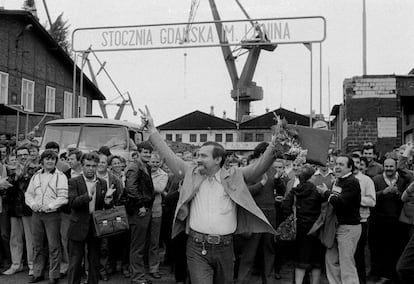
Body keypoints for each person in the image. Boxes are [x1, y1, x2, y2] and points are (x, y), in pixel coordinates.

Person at [139, 106, 277, 284]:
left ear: (218, 159)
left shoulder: (234, 176)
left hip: (226, 248)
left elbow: (259, 167)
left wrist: (277, 142)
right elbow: (169, 156)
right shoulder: (191, 173)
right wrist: (151, 129)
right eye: (197, 154)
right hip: (196, 248)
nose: (198, 159)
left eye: (203, 156)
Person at [66, 152, 116, 284]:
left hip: (95, 227)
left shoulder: (102, 183)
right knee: (75, 263)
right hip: (78, 226)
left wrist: (108, 201)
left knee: (94, 262)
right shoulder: (74, 181)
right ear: (82, 166)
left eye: (94, 166)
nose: (91, 168)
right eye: (88, 165)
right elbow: (72, 203)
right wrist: (88, 195)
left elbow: (106, 207)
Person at [236, 142, 278, 284]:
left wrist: (279, 180)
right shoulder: (249, 170)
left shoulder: (273, 170)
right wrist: (261, 184)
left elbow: (281, 190)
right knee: (249, 252)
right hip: (254, 213)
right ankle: (242, 281)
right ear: (262, 154)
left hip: (270, 213)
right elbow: (244, 192)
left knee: (269, 251)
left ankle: (269, 281)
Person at [25, 150, 68, 284]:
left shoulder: (60, 176)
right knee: (37, 245)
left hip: (52, 215)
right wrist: (33, 205)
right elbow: (29, 194)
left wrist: (49, 206)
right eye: (47, 159)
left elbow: (63, 197)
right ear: (42, 160)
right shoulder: (36, 176)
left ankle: (54, 275)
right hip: (37, 214)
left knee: (54, 245)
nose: (49, 161)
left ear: (56, 161)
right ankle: (38, 273)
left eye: (52, 159)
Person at [368, 157, 413, 283]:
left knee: (397, 249)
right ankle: (381, 275)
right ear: (383, 166)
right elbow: (371, 197)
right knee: (380, 249)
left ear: (395, 166)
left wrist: (398, 193)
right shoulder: (376, 180)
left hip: (398, 221)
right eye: (386, 166)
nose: (388, 169)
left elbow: (407, 198)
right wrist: (384, 192)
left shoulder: (403, 180)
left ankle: (394, 276)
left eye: (391, 166)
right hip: (380, 221)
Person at [318, 155, 361, 284]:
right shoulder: (338, 180)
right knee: (330, 260)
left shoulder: (352, 182)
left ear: (350, 168)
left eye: (342, 164)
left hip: (349, 228)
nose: (337, 166)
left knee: (346, 263)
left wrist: (326, 193)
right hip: (336, 227)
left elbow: (340, 203)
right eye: (336, 163)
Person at [282, 165, 325, 284]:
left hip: (299, 229)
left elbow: (285, 207)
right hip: (316, 229)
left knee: (300, 260)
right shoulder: (318, 191)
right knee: (316, 261)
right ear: (311, 178)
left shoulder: (295, 190)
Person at [125, 141, 155, 284]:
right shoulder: (134, 167)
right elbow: (131, 188)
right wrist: (141, 205)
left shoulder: (145, 167)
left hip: (145, 210)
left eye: (149, 152)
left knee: (142, 245)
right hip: (139, 211)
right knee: (137, 246)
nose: (148, 155)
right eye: (145, 152)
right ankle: (137, 278)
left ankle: (139, 275)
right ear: (138, 153)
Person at [2, 159, 39, 276]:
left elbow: (32, 190)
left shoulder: (35, 170)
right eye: (20, 155)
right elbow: (8, 191)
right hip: (14, 209)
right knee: (15, 238)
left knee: (31, 239)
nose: (23, 157)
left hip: (28, 209)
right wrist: (15, 178)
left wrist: (25, 177)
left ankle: (32, 265)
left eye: (25, 154)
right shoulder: (11, 171)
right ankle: (16, 264)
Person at [350, 154, 376, 284]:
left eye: (357, 162)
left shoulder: (366, 181)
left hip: (361, 221)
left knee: (358, 254)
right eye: (352, 162)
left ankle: (361, 281)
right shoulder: (342, 179)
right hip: (344, 222)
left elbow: (372, 201)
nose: (355, 165)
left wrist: (356, 199)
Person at [61, 149, 83, 278]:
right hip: (66, 213)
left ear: (79, 161)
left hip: (81, 213)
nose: (69, 161)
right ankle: (67, 266)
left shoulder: (86, 174)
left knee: (80, 240)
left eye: (71, 159)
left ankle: (81, 266)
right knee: (65, 240)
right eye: (68, 159)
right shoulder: (64, 174)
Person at [147, 152, 168, 279]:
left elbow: (159, 188)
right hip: (141, 210)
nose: (154, 164)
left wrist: (143, 184)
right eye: (152, 161)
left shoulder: (163, 175)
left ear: (160, 163)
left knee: (154, 242)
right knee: (140, 242)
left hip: (155, 211)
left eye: (157, 162)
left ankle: (153, 267)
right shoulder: (142, 171)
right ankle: (140, 267)